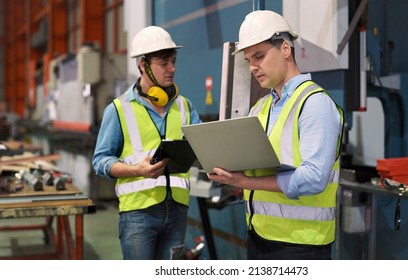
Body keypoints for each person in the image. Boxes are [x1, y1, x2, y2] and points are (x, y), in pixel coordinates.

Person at [207, 10, 344, 260]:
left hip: (301, 244)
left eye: (259, 56)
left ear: (285, 48)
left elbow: (314, 179)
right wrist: (228, 170)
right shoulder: (261, 107)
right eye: (249, 60)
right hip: (259, 236)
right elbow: (258, 164)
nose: (253, 67)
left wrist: (244, 182)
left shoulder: (315, 104)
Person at [92, 26, 202, 260]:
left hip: (177, 210)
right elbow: (100, 161)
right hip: (138, 214)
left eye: (173, 61)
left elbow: (203, 145)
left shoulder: (185, 106)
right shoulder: (119, 109)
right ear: (143, 65)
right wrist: (136, 170)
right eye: (164, 63)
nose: (172, 68)